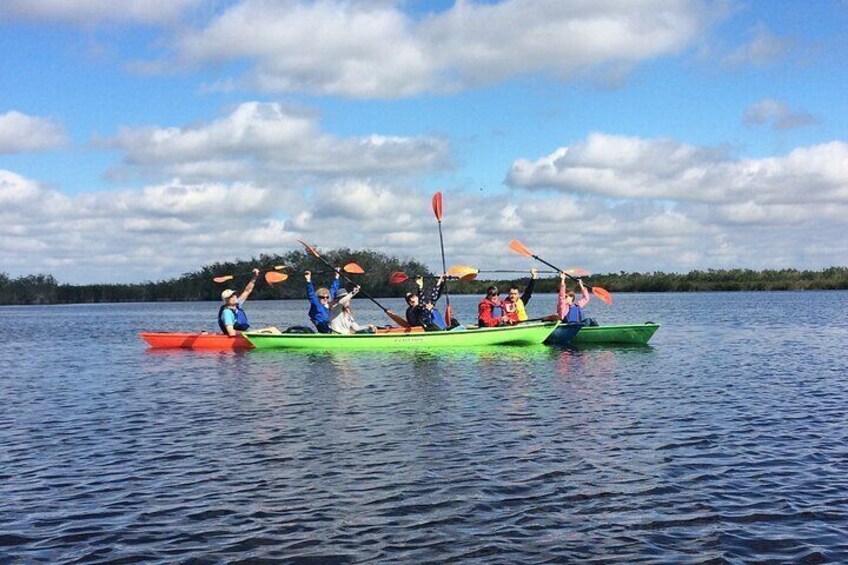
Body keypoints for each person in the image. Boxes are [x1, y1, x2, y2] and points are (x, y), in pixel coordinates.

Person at [219, 268, 279, 336]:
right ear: (226, 300)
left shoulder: (237, 305)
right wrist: (249, 333)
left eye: (234, 294)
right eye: (231, 296)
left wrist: (254, 277)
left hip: (243, 335)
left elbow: (247, 290)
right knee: (271, 330)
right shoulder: (227, 313)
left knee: (272, 329)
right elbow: (231, 333)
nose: (234, 296)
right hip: (236, 337)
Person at [305, 269, 341, 334]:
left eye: (327, 297)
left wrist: (337, 276)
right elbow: (311, 294)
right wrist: (308, 280)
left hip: (334, 327)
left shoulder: (329, 303)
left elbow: (334, 289)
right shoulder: (316, 305)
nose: (325, 299)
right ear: (318, 298)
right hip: (324, 329)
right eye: (322, 297)